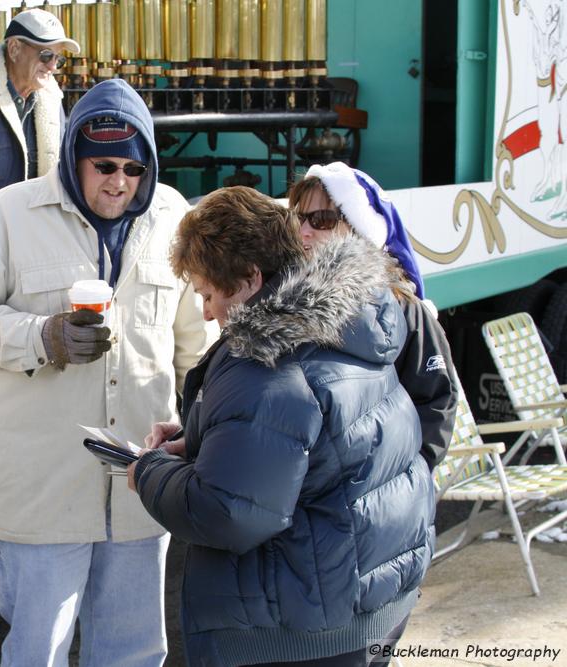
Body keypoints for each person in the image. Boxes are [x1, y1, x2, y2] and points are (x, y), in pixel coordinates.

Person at [0, 78, 216, 666]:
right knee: (39, 651)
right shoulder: (8, 215)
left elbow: (198, 343)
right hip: (41, 491)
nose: (118, 181)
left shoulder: (173, 218)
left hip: (143, 486)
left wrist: (210, 425)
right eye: (103, 165)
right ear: (72, 157)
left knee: (134, 653)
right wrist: (41, 337)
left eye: (134, 169)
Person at [129, 186, 435, 667]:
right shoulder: (348, 319)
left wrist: (147, 472)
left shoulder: (263, 363)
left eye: (208, 293)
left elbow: (229, 513)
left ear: (250, 278)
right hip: (373, 603)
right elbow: (319, 446)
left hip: (296, 633)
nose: (206, 311)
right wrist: (205, 438)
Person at [288, 162, 458, 469]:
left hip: (385, 496)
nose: (305, 231)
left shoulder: (404, 309)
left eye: (322, 219)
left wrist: (410, 473)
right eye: (300, 218)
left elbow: (437, 402)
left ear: (359, 228)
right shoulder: (290, 303)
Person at [0, 8, 77, 199]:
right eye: (46, 55)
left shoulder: (52, 103)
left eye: (58, 59)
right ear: (14, 49)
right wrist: (16, 210)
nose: (52, 67)